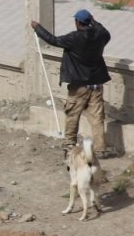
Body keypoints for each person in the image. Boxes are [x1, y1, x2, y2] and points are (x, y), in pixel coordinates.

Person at [31, 9, 111, 154]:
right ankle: (100, 149)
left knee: (73, 114)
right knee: (97, 117)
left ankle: (69, 144)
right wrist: (94, 21)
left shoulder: (74, 38)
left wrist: (38, 28)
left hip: (79, 85)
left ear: (78, 22)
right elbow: (106, 32)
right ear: (90, 21)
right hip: (96, 84)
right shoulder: (100, 36)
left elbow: (53, 40)